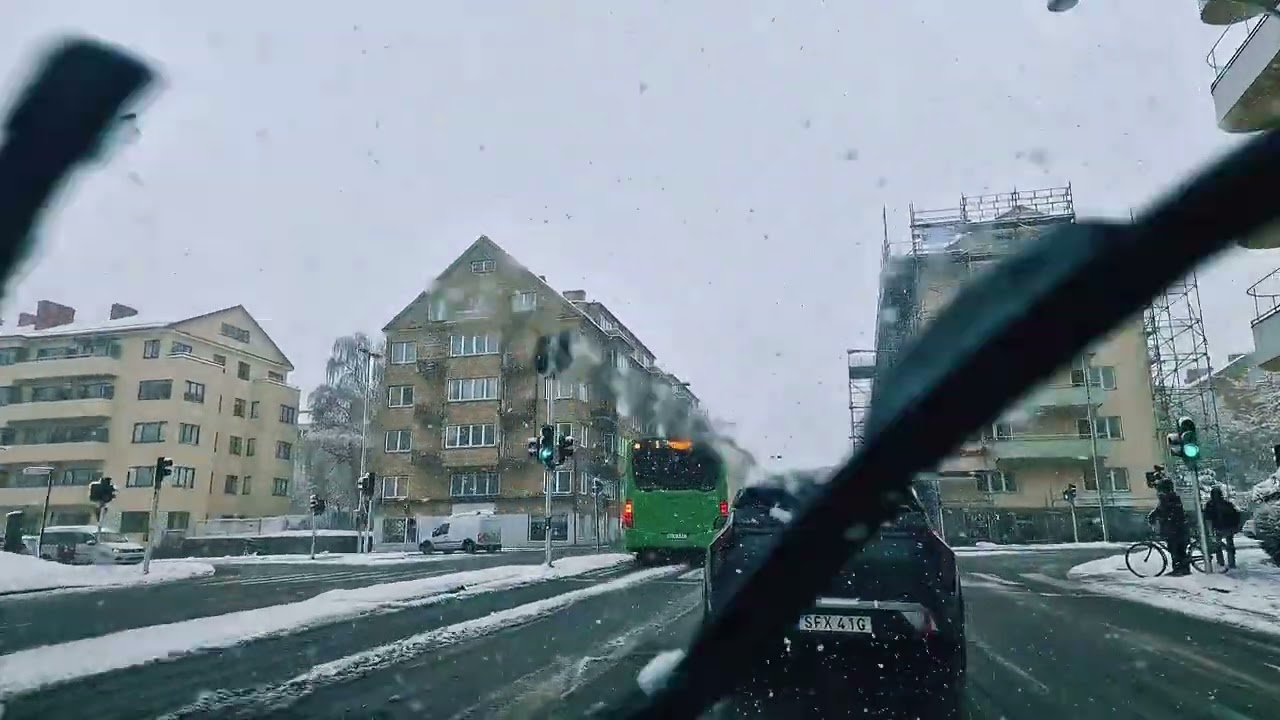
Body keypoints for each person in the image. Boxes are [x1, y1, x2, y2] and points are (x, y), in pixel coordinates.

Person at [1148, 477, 1191, 576]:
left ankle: (1179, 569)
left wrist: (1154, 517)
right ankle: (1183, 568)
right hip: (1178, 528)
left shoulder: (1168, 499)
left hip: (1174, 529)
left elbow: (1162, 511)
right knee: (1179, 549)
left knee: (1175, 549)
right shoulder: (1172, 497)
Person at [1202, 486, 1241, 570]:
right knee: (1230, 544)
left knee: (1217, 545)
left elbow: (1208, 518)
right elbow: (1236, 515)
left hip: (1218, 528)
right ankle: (1232, 562)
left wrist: (1210, 530)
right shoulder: (1227, 504)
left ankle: (1220, 562)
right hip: (1229, 527)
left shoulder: (1210, 505)